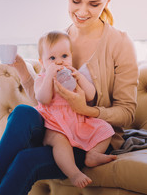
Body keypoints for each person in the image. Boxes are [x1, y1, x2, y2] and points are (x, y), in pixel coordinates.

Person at [0, 0, 138, 195]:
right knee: (23, 113)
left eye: (94, 4)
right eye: (75, 1)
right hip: (55, 129)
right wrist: (25, 72)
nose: (82, 11)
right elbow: (44, 101)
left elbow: (127, 112)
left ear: (108, 0)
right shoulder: (59, 41)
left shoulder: (120, 43)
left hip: (85, 138)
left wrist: (86, 110)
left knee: (27, 160)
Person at [34, 31, 116, 188]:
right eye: (52, 58)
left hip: (76, 120)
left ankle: (93, 154)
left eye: (64, 56)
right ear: (42, 62)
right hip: (54, 124)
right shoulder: (42, 79)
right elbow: (43, 98)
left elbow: (90, 95)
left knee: (105, 129)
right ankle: (73, 173)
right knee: (60, 142)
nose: (59, 62)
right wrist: (49, 75)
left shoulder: (72, 75)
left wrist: (79, 78)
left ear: (71, 56)